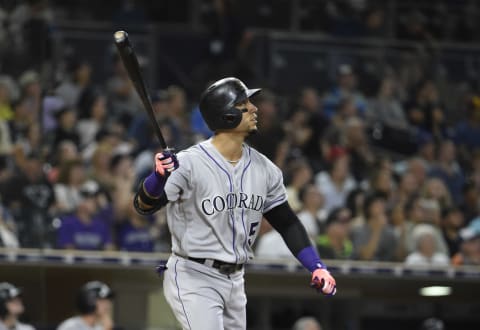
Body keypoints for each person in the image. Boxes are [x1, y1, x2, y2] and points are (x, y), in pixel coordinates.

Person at [133, 77, 336, 330]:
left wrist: (316, 266)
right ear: (226, 115)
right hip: (194, 274)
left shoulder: (265, 169)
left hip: (236, 279)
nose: (254, 108)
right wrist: (157, 178)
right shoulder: (189, 163)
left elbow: (287, 223)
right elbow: (144, 205)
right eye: (244, 104)